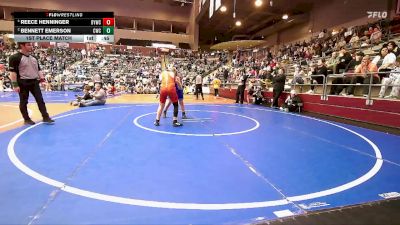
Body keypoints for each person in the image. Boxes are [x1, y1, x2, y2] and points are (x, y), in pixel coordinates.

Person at [8, 42, 54, 125]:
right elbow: (12, 73)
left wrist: (42, 80)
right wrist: (15, 85)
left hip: (34, 82)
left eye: (31, 45)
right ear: (22, 46)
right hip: (22, 82)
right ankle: (26, 119)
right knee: (24, 102)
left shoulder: (34, 58)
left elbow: (38, 70)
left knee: (40, 100)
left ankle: (45, 117)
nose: (31, 46)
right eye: (28, 45)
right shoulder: (14, 58)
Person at [154, 58, 182, 127]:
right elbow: (177, 82)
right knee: (175, 104)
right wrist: (180, 87)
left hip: (163, 89)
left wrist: (158, 92)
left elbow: (160, 81)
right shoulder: (172, 73)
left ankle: (157, 121)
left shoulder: (162, 73)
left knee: (161, 105)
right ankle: (174, 121)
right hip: (171, 88)